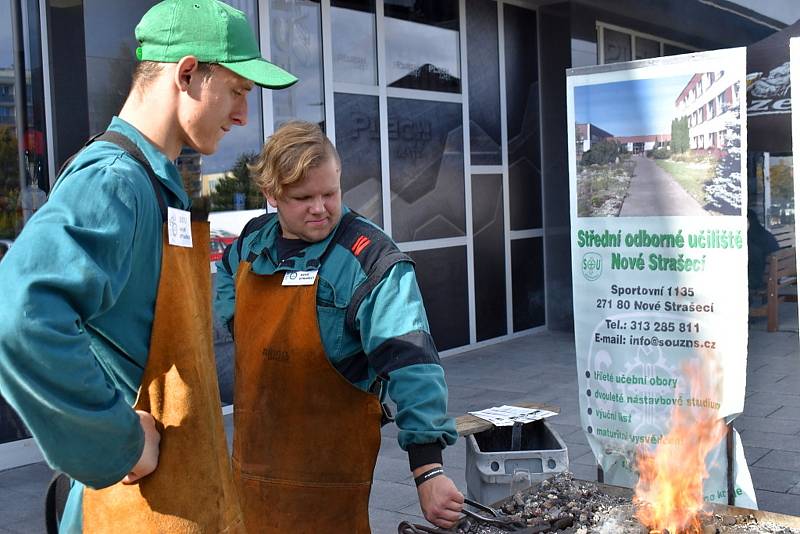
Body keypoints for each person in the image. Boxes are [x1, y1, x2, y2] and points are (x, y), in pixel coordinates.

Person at [0, 1, 296, 532]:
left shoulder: (153, 185)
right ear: (187, 74)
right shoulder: (114, 182)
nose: (243, 116)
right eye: (237, 91)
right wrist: (120, 442)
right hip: (130, 511)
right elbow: (18, 313)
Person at [214, 120, 464, 532]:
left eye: (330, 193)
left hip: (329, 486)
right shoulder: (252, 240)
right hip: (251, 472)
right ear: (271, 195)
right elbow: (225, 276)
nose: (320, 208)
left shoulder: (371, 260)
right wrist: (237, 322)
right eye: (302, 197)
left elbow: (412, 363)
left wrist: (428, 470)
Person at [747, 209, 779, 293]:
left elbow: (754, 262)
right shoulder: (762, 233)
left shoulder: (752, 239)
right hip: (776, 273)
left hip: (763, 278)